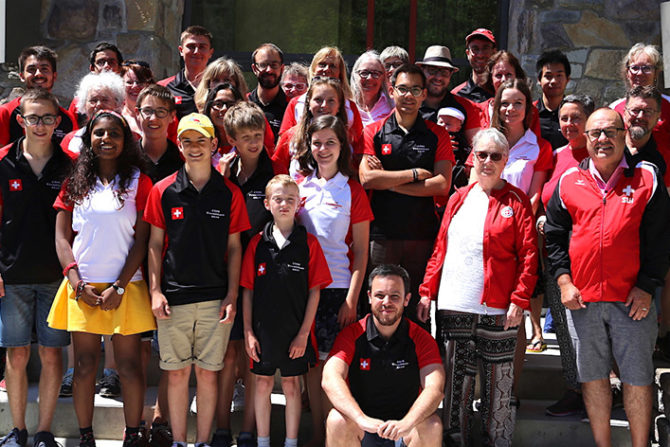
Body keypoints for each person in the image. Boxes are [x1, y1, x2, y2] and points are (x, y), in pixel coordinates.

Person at [545, 107, 670, 447]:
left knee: (638, 378)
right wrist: (564, 281)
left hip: (633, 301)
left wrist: (647, 287)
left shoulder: (647, 178)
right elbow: (554, 237)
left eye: (610, 132)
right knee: (594, 379)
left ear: (624, 134)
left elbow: (662, 239)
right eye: (595, 133)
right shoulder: (568, 182)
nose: (602, 139)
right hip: (583, 301)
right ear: (585, 139)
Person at [419, 128, 538, 446]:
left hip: (499, 308)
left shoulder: (516, 200)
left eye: (495, 156)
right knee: (456, 382)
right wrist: (427, 290)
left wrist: (520, 298)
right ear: (473, 156)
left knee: (498, 385)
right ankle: (455, 440)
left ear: (505, 160)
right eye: (481, 154)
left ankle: (497, 441)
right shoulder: (458, 197)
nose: (487, 161)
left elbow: (528, 254)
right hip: (455, 304)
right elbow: (440, 248)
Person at [47, 110, 156, 447]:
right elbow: (62, 238)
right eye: (99, 133)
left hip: (126, 286)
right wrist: (77, 283)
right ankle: (86, 436)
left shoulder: (140, 180)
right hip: (83, 287)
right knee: (83, 365)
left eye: (114, 134)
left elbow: (142, 241)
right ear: (89, 139)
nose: (106, 139)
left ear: (126, 141)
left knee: (129, 366)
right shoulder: (74, 182)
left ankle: (134, 434)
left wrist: (119, 286)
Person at [144, 113, 249, 447]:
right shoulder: (163, 190)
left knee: (207, 373)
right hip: (173, 299)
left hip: (214, 298)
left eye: (201, 140)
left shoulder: (229, 193)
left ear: (214, 145)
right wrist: (156, 291)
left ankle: (202, 441)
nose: (194, 147)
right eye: (187, 141)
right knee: (176, 373)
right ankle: (178, 441)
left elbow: (235, 249)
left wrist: (232, 294)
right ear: (179, 145)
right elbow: (155, 244)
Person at [0, 89, 74, 447]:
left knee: (51, 352)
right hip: (11, 276)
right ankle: (18, 430)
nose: (40, 125)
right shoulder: (2, 162)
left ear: (58, 122)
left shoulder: (70, 166)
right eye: (33, 117)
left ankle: (45, 431)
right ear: (20, 120)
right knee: (16, 353)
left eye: (47, 118)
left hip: (56, 278)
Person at [295, 115, 374, 446]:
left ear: (342, 147)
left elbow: (360, 254)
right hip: (302, 292)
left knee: (334, 372)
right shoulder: (299, 187)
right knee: (311, 369)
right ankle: (317, 438)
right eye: (317, 143)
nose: (323, 149)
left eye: (330, 142)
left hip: (337, 291)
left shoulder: (352, 190)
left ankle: (335, 440)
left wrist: (351, 300)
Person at [241, 174, 332, 447]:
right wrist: (247, 332)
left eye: (290, 199)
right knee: (263, 385)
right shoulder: (257, 244)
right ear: (267, 204)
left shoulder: (309, 244)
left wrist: (304, 334)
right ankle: (263, 441)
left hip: (295, 333)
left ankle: (291, 442)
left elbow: (315, 290)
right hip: (262, 332)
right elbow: (247, 290)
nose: (284, 204)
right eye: (278, 199)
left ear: (299, 204)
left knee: (293, 386)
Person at [359, 64, 453, 327]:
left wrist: (387, 181)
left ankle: (417, 365)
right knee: (379, 306)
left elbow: (442, 184)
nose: (408, 95)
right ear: (391, 91)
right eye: (402, 89)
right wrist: (414, 174)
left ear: (424, 94)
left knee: (416, 311)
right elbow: (367, 179)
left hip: (421, 236)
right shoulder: (374, 131)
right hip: (381, 235)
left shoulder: (438, 134)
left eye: (415, 89)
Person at [210, 102, 278, 447]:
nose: (254, 142)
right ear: (231, 138)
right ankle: (222, 427)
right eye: (246, 137)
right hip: (224, 274)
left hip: (263, 276)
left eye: (258, 135)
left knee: (254, 357)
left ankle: (250, 429)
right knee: (227, 355)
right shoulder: (223, 171)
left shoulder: (276, 171)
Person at [322, 264, 444, 447]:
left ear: (407, 299)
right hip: (364, 429)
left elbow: (435, 389)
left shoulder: (421, 338)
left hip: (405, 430)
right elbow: (330, 378)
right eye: (380, 296)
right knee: (336, 420)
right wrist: (360, 419)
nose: (387, 302)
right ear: (370, 297)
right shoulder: (352, 334)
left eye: (395, 296)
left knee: (432, 424)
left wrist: (406, 423)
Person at [538, 94, 594, 417]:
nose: (569, 125)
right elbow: (549, 196)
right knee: (562, 323)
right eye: (564, 118)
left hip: (588, 253)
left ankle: (596, 388)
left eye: (576, 118)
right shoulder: (556, 155)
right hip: (557, 253)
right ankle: (574, 389)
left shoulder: (600, 155)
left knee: (588, 326)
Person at [278, 46, 364, 150]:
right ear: (313, 69)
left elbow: (359, 143)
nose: (327, 69)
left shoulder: (350, 106)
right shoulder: (296, 103)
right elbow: (283, 143)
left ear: (340, 73)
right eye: (322, 65)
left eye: (332, 66)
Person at [272, 77, 353, 178]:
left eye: (331, 101)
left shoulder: (348, 137)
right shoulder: (291, 136)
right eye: (318, 100)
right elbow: (277, 171)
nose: (324, 105)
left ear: (339, 105)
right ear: (308, 103)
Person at [0, 46, 77, 146]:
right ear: (22, 76)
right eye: (31, 69)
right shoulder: (5, 113)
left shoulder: (67, 119)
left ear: (54, 76)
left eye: (44, 69)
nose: (38, 74)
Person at [415, 45, 481, 146]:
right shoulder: (409, 105)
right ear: (422, 71)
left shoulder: (467, 107)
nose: (438, 77)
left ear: (450, 75)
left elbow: (477, 148)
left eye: (444, 72)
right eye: (432, 70)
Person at [611, 43, 670, 145]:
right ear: (627, 73)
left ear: (656, 73)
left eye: (646, 68)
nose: (639, 73)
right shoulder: (614, 108)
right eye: (635, 68)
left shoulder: (668, 104)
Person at [61, 72, 126, 155]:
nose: (98, 105)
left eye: (105, 100)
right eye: (93, 100)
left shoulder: (129, 136)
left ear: (117, 103)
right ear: (84, 104)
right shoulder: (70, 139)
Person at [158, 26, 215, 118]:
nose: (196, 52)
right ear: (181, 51)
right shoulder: (163, 87)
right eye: (191, 47)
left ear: (211, 53)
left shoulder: (219, 86)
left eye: (202, 47)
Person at [623, 85, 670, 187]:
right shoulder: (607, 148)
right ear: (624, 113)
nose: (640, 116)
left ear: (658, 117)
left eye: (648, 111)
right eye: (635, 110)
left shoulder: (665, 158)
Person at [68, 42, 124, 124]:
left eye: (111, 62)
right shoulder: (80, 101)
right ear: (92, 68)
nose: (106, 66)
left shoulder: (127, 99)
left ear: (119, 68)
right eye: (101, 62)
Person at [137, 84, 182, 183]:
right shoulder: (128, 158)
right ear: (137, 113)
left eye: (161, 112)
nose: (153, 118)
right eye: (147, 111)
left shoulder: (182, 159)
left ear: (172, 116)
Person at [248, 43, 287, 141]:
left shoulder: (291, 106)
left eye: (274, 65)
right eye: (263, 65)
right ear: (254, 69)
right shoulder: (244, 103)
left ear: (282, 69)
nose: (269, 70)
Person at [535, 50, 571, 150]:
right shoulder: (530, 113)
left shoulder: (574, 115)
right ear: (539, 80)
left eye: (559, 75)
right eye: (548, 76)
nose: (554, 81)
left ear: (567, 79)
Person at [451, 28, 496, 103]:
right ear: (468, 54)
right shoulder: (457, 95)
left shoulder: (504, 92)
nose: (480, 55)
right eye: (475, 49)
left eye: (485, 48)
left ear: (494, 52)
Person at [350, 51, 394, 127]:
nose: (370, 78)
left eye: (375, 73)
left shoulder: (392, 105)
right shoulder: (347, 105)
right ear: (355, 75)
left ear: (383, 77)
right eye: (364, 73)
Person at [121, 61, 155, 137]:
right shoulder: (116, 116)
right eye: (129, 82)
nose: (135, 86)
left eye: (140, 82)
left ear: (149, 84)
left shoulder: (162, 115)